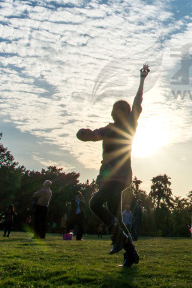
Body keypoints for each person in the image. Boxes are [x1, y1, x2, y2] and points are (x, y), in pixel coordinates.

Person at [77, 64, 149, 267]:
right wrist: (83, 134)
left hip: (121, 176)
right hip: (107, 177)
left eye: (117, 108)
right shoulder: (107, 129)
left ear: (123, 112)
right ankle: (131, 253)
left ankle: (118, 238)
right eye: (113, 108)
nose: (113, 111)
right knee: (116, 216)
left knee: (94, 204)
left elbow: (138, 102)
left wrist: (142, 79)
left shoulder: (130, 125)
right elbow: (92, 135)